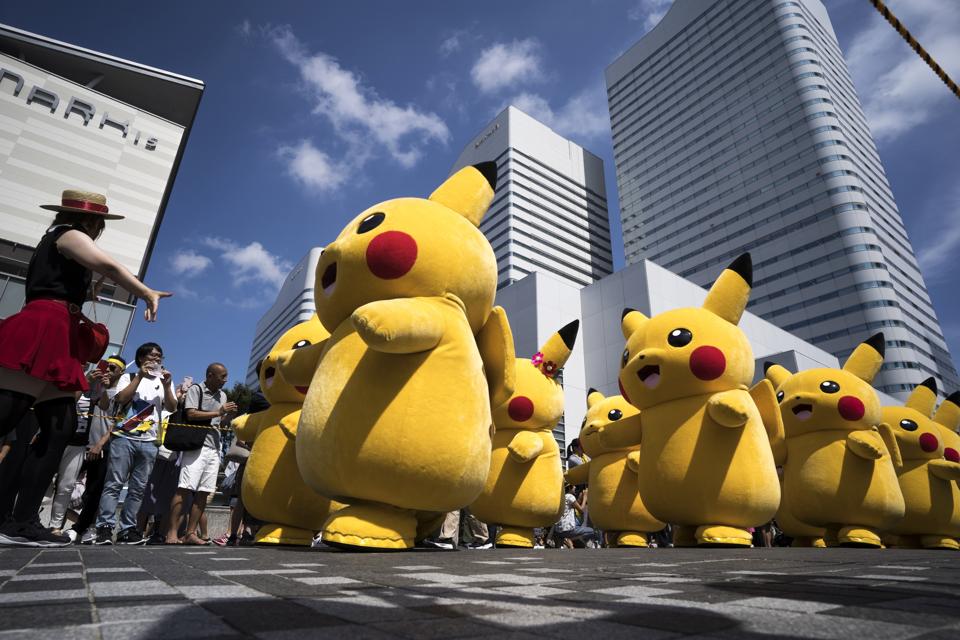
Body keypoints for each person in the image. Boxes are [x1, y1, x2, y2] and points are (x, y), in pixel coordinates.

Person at [0, 190, 170, 547]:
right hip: (42, 329)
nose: (99, 231)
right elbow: (108, 265)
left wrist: (87, 288)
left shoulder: (63, 244)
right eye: (99, 224)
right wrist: (146, 292)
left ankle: (21, 520)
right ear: (90, 221)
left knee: (59, 428)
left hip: (58, 332)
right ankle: (15, 518)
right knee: (6, 419)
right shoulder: (67, 233)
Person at [93, 343, 177, 545]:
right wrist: (139, 375)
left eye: (159, 356)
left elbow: (172, 407)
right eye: (151, 355)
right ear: (141, 358)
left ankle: (128, 530)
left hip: (149, 441)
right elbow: (121, 398)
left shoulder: (165, 380)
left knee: (138, 489)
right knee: (114, 484)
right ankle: (104, 528)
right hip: (124, 437)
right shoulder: (128, 377)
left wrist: (167, 386)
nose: (156, 359)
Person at [165, 363, 236, 545]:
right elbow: (191, 414)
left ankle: (190, 533)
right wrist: (218, 412)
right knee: (185, 487)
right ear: (211, 375)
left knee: (204, 491)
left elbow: (221, 423)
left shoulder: (223, 395)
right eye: (222, 376)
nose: (225, 380)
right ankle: (171, 533)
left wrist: (227, 416)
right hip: (197, 445)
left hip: (215, 447)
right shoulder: (197, 389)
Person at [69, 355, 126, 544]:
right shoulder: (95, 384)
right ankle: (70, 525)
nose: (108, 371)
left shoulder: (122, 391)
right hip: (81, 442)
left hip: (103, 446)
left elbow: (118, 422)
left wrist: (101, 443)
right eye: (106, 366)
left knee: (94, 489)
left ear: (121, 372)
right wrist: (91, 380)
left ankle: (83, 527)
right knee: (65, 484)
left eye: (113, 368)